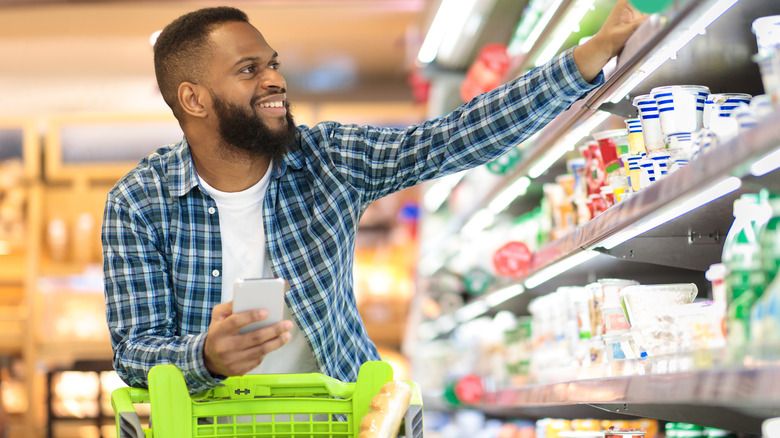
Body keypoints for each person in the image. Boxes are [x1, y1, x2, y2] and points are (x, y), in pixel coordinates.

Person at [102, 2, 645, 393]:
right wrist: (207, 356)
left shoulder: (328, 158)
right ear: (193, 99)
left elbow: (449, 139)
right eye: (249, 69)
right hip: (210, 426)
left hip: (340, 418)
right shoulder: (139, 204)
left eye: (273, 64)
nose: (274, 80)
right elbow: (134, 352)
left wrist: (581, 63)